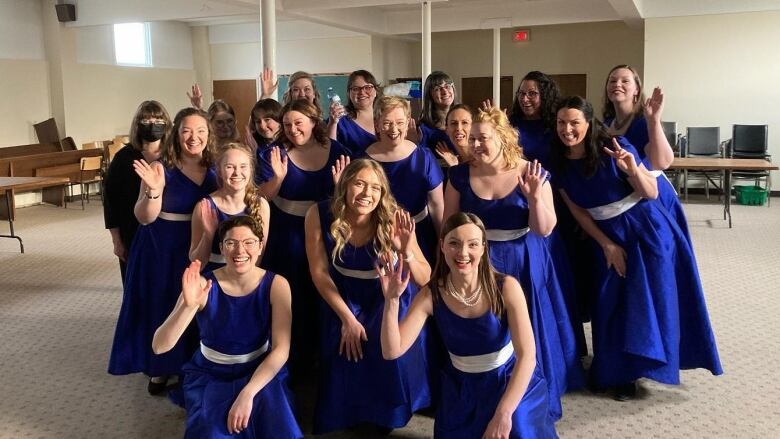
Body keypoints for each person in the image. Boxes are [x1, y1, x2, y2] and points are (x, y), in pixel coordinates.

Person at [551, 96, 722, 401]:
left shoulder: (616, 146)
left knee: (641, 302)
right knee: (609, 303)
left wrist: (632, 169)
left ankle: (632, 376)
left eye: (575, 122)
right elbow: (578, 211)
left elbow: (652, 192)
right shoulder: (561, 163)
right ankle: (611, 370)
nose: (567, 129)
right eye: (562, 122)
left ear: (588, 124)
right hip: (605, 236)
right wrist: (606, 245)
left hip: (645, 229)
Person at [443, 106, 584, 420]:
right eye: (472, 138)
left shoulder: (531, 171)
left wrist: (534, 198)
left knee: (525, 328)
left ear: (503, 138)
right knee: (486, 329)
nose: (475, 144)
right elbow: (448, 226)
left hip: (521, 260)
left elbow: (545, 228)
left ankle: (526, 397)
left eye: (483, 138)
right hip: (476, 262)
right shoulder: (459, 175)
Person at [379, 212, 558, 439]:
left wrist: (504, 413)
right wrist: (392, 300)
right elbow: (391, 350)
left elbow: (528, 356)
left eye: (472, 244)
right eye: (454, 243)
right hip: (462, 388)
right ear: (442, 246)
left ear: (483, 248)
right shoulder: (431, 295)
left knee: (518, 429)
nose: (463, 253)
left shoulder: (506, 287)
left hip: (508, 380)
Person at [305, 158, 432, 434]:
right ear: (345, 186)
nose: (367, 194)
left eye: (375, 188)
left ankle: (386, 414)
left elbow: (426, 278)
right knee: (345, 347)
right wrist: (347, 319)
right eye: (359, 184)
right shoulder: (318, 213)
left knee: (384, 348)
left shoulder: (394, 215)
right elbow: (319, 274)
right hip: (342, 297)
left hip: (386, 297)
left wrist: (407, 250)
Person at [153, 216, 302, 438]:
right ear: (222, 248)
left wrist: (247, 393)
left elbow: (281, 350)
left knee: (280, 430)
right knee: (212, 431)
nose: (240, 250)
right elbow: (160, 346)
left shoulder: (277, 284)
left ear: (260, 247)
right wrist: (188, 306)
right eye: (231, 243)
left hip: (259, 369)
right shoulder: (204, 284)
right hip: (211, 374)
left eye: (249, 242)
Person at [109, 107, 218, 395]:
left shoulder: (216, 168)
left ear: (209, 135)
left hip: (201, 243)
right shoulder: (159, 167)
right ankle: (160, 367)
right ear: (175, 134)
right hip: (162, 245)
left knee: (194, 305)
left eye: (201, 131)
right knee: (162, 303)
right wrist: (154, 191)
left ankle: (191, 365)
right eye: (186, 131)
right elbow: (144, 216)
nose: (194, 138)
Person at [255, 99, 351, 379]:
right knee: (291, 297)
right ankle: (291, 360)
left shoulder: (339, 152)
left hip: (326, 231)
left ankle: (325, 359)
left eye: (299, 123)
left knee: (323, 293)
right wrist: (279, 179)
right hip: (287, 234)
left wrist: (339, 189)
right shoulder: (273, 153)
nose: (293, 129)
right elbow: (261, 197)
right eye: (287, 124)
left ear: (313, 122)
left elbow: (351, 198)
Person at [601, 64, 692, 242]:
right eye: (612, 81)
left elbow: (663, 162)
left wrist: (654, 121)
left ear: (636, 90)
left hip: (650, 198)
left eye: (625, 81)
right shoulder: (607, 122)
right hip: (624, 199)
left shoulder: (643, 121)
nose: (617, 84)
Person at [362, 96, 444, 263]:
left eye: (399, 122)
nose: (394, 129)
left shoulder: (424, 157)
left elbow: (437, 205)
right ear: (377, 124)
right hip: (375, 235)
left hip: (420, 234)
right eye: (387, 123)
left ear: (407, 123)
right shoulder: (362, 159)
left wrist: (442, 242)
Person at [104, 100, 171, 284]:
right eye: (146, 121)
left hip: (167, 232)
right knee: (135, 284)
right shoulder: (124, 157)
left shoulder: (173, 155)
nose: (152, 126)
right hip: (132, 231)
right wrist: (116, 240)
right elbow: (111, 202)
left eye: (158, 121)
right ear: (137, 125)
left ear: (166, 124)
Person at [190, 142, 270, 273]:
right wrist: (208, 235)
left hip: (246, 275)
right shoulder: (204, 206)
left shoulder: (261, 205)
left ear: (251, 169)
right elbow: (197, 262)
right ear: (219, 171)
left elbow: (259, 256)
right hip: (212, 275)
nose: (237, 173)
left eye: (243, 167)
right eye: (229, 167)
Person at [509, 71, 560, 168]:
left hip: (552, 181)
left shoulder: (557, 124)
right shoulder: (511, 124)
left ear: (545, 95)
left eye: (532, 93)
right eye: (522, 93)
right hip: (518, 181)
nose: (524, 99)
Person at [327, 69, 381, 155]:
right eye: (356, 89)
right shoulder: (339, 120)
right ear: (349, 93)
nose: (362, 92)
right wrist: (332, 123)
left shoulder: (386, 116)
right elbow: (329, 151)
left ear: (376, 91)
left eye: (367, 87)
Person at [416, 71, 457, 155]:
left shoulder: (464, 119)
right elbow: (423, 160)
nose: (445, 92)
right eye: (437, 89)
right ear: (430, 95)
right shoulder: (423, 129)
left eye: (447, 86)